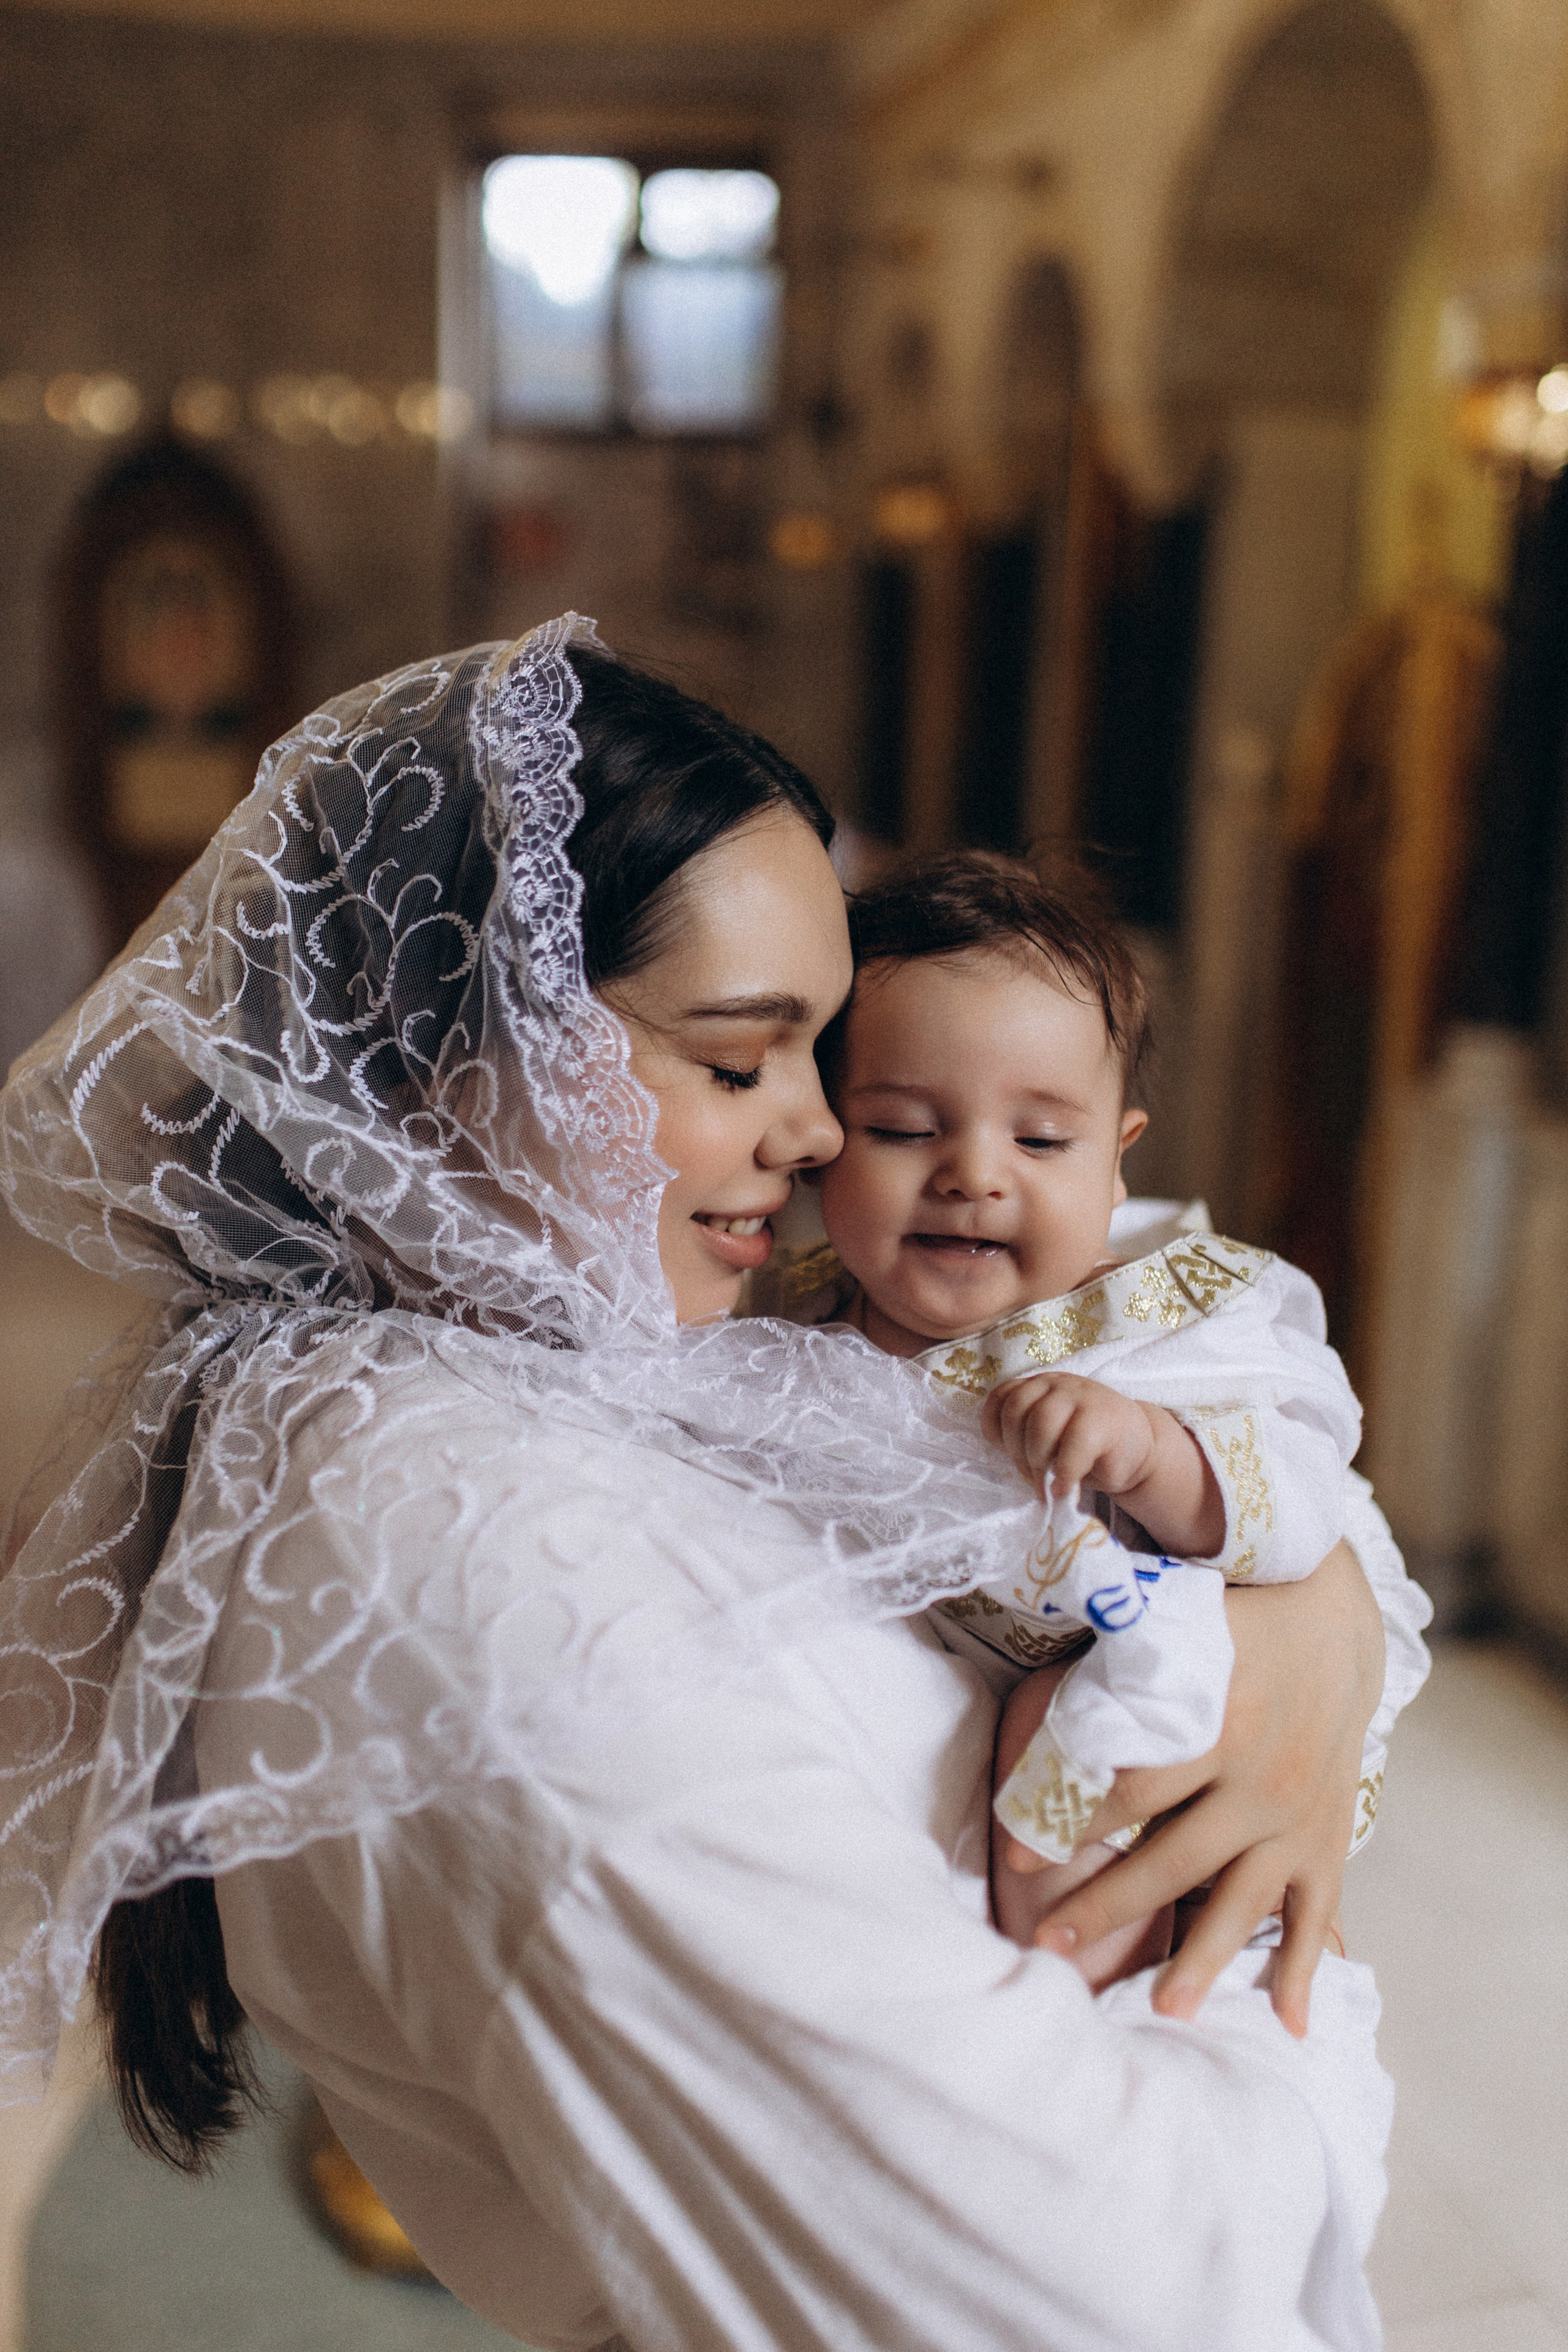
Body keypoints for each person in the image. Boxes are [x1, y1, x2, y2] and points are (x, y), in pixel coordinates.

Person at [0, 617, 1422, 2352]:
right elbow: (1109, 2300)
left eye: (819, 1058)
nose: (820, 1136)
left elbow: (1234, 1461)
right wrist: (1302, 2068)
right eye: (740, 1060)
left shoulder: (613, 1355)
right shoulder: (481, 1582)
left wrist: (1308, 1624)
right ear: (455, 1055)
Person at [776, 850, 1404, 1985]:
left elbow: (1307, 1498)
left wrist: (1153, 1453)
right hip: (964, 1659)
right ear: (827, 1144)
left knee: (1064, 1735)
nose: (974, 1173)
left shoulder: (1165, 1318)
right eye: (905, 1129)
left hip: (1161, 1642)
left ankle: (1104, 1982)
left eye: (1040, 1141)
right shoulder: (798, 1315)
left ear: (1116, 1163)